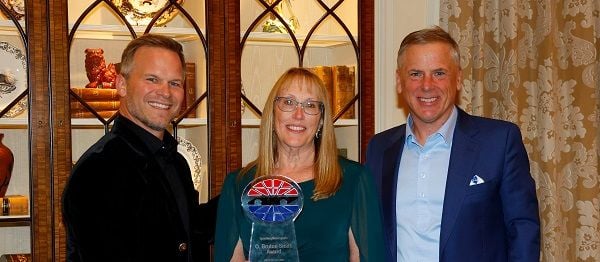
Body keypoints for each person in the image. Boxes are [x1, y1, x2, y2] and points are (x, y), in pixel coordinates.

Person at [365, 27, 540, 262]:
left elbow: (523, 229)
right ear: (399, 81)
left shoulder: (499, 141)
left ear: (458, 79)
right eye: (415, 73)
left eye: (439, 73)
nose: (427, 85)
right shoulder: (379, 148)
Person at [62, 34, 216, 261]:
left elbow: (189, 229)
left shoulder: (175, 161)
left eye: (174, 83)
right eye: (152, 79)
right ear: (121, 85)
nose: (165, 92)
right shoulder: (99, 171)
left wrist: (249, 188)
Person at [214, 67, 385, 261]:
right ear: (272, 114)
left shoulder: (354, 180)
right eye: (288, 102)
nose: (298, 114)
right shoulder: (238, 184)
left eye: (310, 105)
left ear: (321, 120)